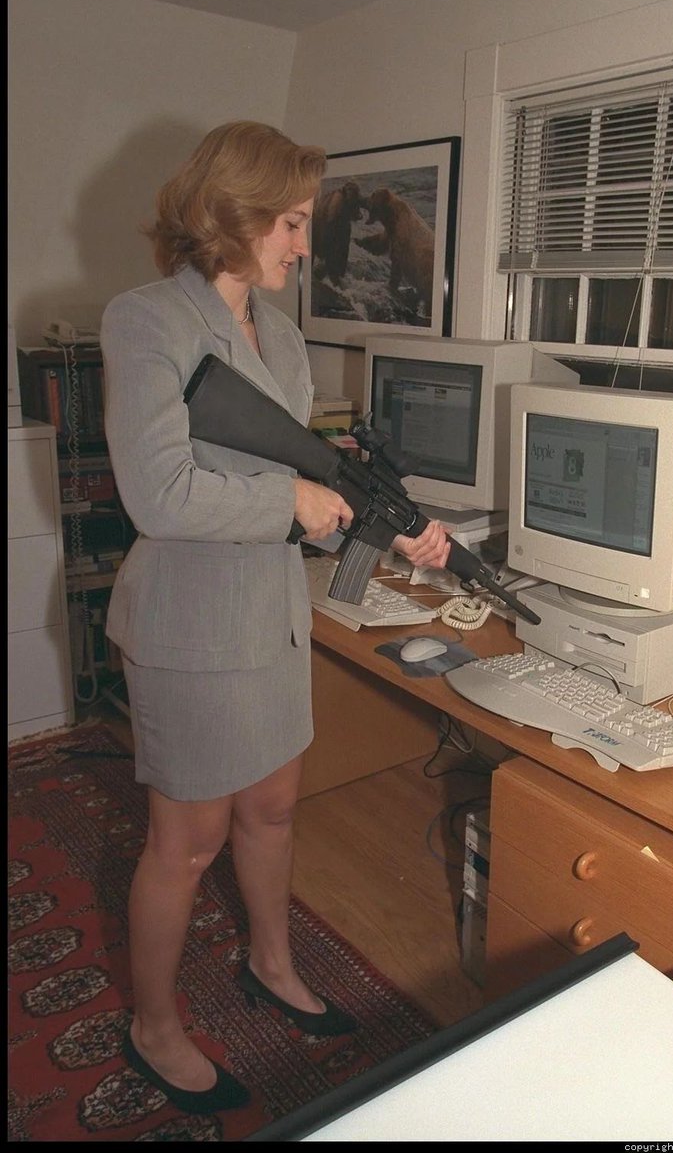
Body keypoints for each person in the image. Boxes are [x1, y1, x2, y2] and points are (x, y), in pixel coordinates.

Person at [100, 120, 451, 1115]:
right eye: (292, 222)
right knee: (186, 845)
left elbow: (308, 484)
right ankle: (154, 1025)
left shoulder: (285, 334)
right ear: (235, 212)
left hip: (270, 618)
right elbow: (159, 494)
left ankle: (269, 962)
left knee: (273, 811)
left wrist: (391, 528)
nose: (303, 245)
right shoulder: (144, 319)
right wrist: (293, 506)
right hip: (188, 629)